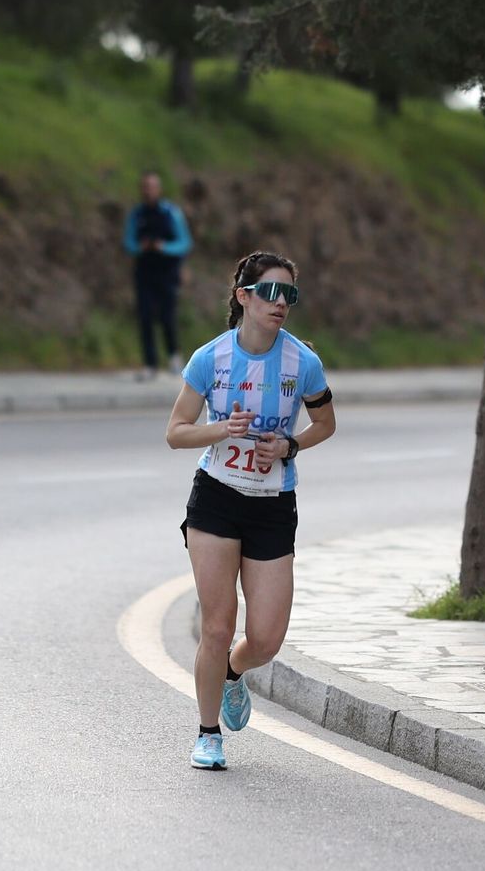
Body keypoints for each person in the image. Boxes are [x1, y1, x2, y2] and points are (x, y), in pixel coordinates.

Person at [165, 251, 336, 770]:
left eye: (290, 295)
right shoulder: (210, 359)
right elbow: (176, 433)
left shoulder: (302, 362)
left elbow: (325, 424)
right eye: (270, 292)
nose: (280, 303)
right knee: (218, 626)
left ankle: (235, 673)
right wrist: (223, 429)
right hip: (216, 499)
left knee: (266, 638)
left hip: (272, 505)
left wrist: (289, 447)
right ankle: (207, 733)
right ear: (244, 297)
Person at [123, 172, 193, 381]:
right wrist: (140, 247)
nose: (149, 190)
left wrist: (164, 247)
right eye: (145, 186)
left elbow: (184, 242)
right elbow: (128, 243)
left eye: (152, 186)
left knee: (167, 315)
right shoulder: (137, 215)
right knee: (145, 316)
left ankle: (173, 355)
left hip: (167, 272)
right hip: (145, 271)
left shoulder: (171, 212)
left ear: (159, 189)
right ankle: (150, 363)